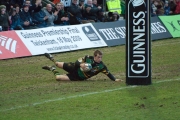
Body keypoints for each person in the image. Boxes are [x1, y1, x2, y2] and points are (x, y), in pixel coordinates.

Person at [42, 50, 122, 82]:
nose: (100, 59)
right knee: (57, 64)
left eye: (101, 57)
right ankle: (52, 58)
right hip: (74, 67)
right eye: (98, 57)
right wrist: (81, 64)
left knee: (58, 78)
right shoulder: (87, 58)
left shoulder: (101, 66)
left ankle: (52, 69)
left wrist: (115, 79)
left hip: (78, 77)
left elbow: (108, 74)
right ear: (94, 56)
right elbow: (77, 62)